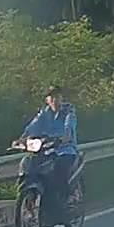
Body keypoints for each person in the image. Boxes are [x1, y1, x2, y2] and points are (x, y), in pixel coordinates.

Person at [21, 85, 79, 215]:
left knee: (59, 169)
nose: (54, 100)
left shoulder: (68, 111)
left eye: (57, 96)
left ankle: (66, 200)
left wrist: (64, 137)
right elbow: (32, 126)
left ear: (61, 98)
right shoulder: (44, 113)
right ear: (47, 100)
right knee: (29, 164)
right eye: (51, 97)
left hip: (65, 150)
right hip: (46, 150)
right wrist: (21, 139)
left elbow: (69, 126)